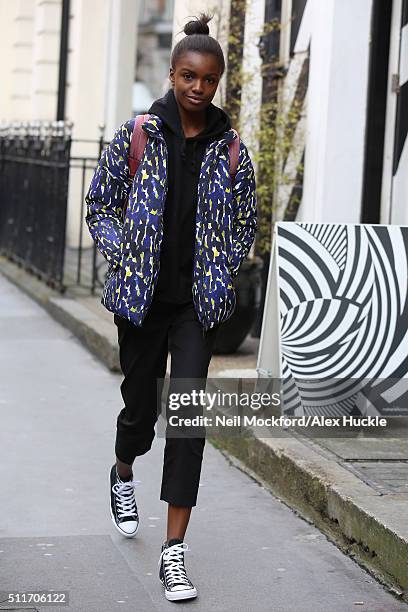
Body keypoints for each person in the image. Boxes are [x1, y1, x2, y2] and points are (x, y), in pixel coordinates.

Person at [85, 13, 257, 603]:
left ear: (218, 83)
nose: (198, 89)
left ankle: (174, 554)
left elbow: (243, 225)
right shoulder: (137, 136)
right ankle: (123, 470)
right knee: (139, 410)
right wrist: (125, 253)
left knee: (186, 419)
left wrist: (222, 271)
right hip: (142, 302)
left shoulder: (232, 150)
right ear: (172, 73)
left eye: (209, 81)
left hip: (195, 310)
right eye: (189, 77)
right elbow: (100, 205)